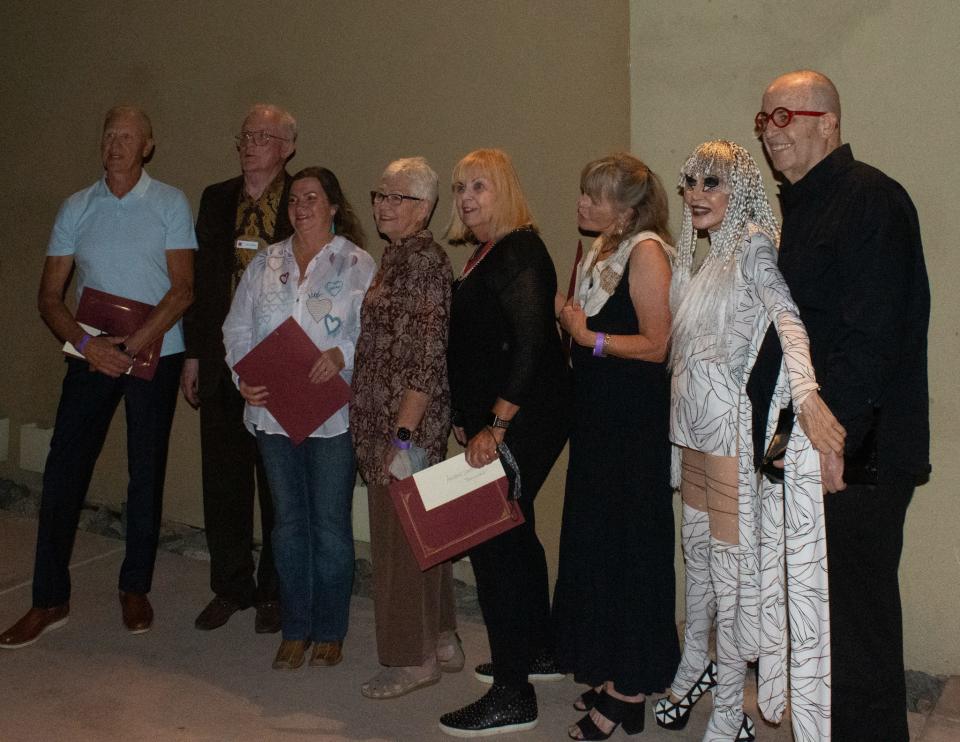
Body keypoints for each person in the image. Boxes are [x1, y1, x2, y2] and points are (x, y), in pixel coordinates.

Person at [753, 70, 930, 741]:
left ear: (828, 121)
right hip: (822, 448)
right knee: (821, 627)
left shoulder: (869, 201)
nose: (771, 131)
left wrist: (833, 443)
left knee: (856, 635)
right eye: (763, 119)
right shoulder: (804, 208)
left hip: (860, 454)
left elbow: (871, 338)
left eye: (785, 116)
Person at [658, 139, 846, 742]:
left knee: (735, 584)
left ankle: (731, 714)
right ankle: (694, 666)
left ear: (738, 189)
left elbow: (790, 322)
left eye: (711, 183)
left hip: (731, 442)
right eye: (690, 183)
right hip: (690, 438)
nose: (695, 195)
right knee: (701, 571)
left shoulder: (754, 247)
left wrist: (809, 395)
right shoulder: (702, 260)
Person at [0, 106, 196, 648]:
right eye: (109, 135)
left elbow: (182, 290)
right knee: (62, 470)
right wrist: (90, 346)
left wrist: (127, 348)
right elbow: (48, 296)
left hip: (154, 354)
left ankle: (135, 586)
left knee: (144, 473)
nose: (116, 145)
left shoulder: (169, 203)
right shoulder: (76, 207)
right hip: (90, 354)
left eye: (127, 137)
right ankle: (48, 598)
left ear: (148, 147)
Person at [438, 148, 569, 737]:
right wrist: (471, 416)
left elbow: (531, 344)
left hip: (525, 418)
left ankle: (512, 694)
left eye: (480, 188)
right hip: (500, 417)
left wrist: (497, 424)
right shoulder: (486, 253)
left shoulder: (520, 251)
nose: (466, 199)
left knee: (490, 541)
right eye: (461, 188)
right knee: (514, 532)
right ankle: (536, 650)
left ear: (506, 191)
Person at [222, 166, 374, 670]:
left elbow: (374, 334)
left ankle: (329, 630)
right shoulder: (265, 263)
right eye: (293, 200)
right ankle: (296, 626)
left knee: (329, 525)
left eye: (312, 197)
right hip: (271, 413)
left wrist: (341, 353)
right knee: (287, 525)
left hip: (331, 414)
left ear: (333, 205)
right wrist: (242, 375)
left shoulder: (357, 262)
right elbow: (236, 328)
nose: (300, 206)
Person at [552, 153, 679, 740]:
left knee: (630, 548)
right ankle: (608, 670)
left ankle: (631, 688)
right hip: (600, 421)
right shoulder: (604, 249)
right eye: (583, 193)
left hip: (632, 425)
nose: (582, 204)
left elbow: (656, 345)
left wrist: (589, 338)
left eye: (594, 197)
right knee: (598, 544)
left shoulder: (647, 251)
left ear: (627, 208)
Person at [182, 103, 297, 635]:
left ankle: (275, 590)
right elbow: (203, 284)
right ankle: (230, 585)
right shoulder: (215, 198)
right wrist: (195, 354)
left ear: (287, 147)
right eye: (245, 134)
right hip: (222, 356)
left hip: (279, 362)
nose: (251, 143)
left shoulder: (305, 198)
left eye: (264, 136)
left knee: (276, 480)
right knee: (223, 475)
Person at [350, 157, 462, 699]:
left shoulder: (422, 263)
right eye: (380, 195)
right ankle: (441, 639)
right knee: (425, 537)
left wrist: (401, 436)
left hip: (403, 430)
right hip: (393, 426)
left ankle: (410, 659)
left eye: (398, 198)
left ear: (425, 208)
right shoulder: (397, 257)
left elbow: (426, 355)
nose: (384, 206)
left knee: (397, 549)